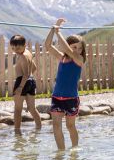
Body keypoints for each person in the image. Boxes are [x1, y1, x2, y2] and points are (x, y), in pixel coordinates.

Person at [44, 18, 86, 150]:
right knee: (56, 126)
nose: (77, 50)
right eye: (75, 47)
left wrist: (58, 32)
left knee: (70, 126)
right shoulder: (61, 57)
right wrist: (53, 29)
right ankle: (61, 153)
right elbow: (48, 46)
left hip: (71, 99)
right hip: (57, 97)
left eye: (80, 48)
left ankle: (74, 149)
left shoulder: (79, 59)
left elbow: (67, 50)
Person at [9, 34, 41, 132]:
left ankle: (17, 132)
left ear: (24, 45)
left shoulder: (22, 56)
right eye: (13, 47)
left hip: (22, 82)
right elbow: (34, 67)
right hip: (31, 82)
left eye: (18, 47)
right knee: (32, 108)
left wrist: (20, 87)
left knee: (18, 109)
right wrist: (28, 80)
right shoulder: (28, 53)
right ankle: (39, 128)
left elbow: (26, 74)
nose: (15, 50)